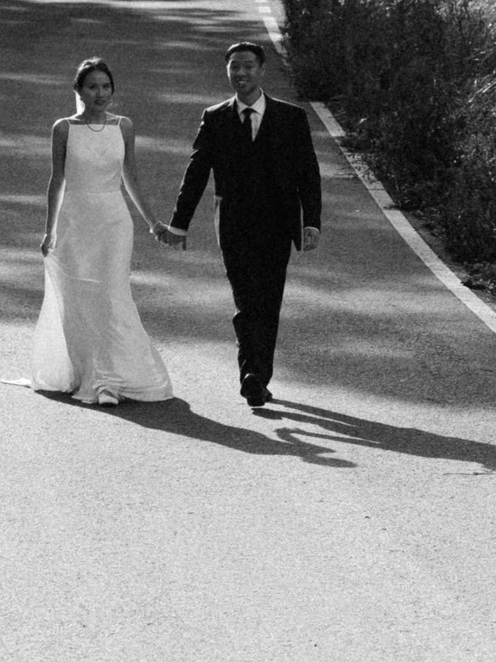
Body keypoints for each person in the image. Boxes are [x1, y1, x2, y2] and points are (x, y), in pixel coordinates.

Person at [163, 41, 322, 408]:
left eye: (248, 66)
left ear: (262, 70)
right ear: (228, 71)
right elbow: (196, 172)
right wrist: (179, 224)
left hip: (279, 225)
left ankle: (256, 373)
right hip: (233, 224)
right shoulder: (215, 117)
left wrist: (310, 222)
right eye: (234, 67)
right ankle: (253, 375)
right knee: (246, 299)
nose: (241, 73)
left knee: (269, 301)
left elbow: (308, 174)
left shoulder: (291, 117)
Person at [32, 58, 173, 405]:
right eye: (92, 86)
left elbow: (131, 176)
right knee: (81, 298)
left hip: (113, 221)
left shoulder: (123, 126)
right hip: (74, 221)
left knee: (111, 294)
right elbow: (57, 180)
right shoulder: (63, 128)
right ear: (79, 91)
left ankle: (110, 379)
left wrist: (152, 222)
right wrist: (49, 230)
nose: (100, 93)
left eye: (106, 86)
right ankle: (89, 375)